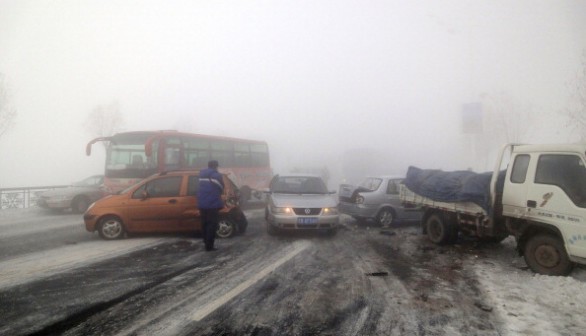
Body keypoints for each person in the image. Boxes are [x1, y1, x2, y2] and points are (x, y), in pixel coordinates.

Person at [197, 160, 225, 251]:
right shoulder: (216, 175)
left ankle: (205, 242)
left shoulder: (201, 174)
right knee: (211, 225)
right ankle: (209, 246)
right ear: (215, 166)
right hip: (212, 204)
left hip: (202, 203)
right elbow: (221, 188)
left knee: (204, 224)